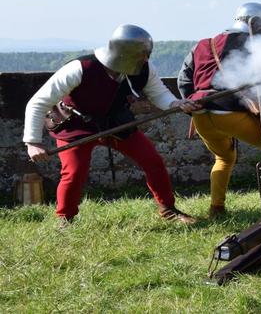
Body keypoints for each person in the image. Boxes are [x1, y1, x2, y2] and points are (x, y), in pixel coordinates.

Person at [24, 24, 201, 227]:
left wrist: (175, 103)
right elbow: (38, 102)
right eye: (141, 54)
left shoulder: (144, 70)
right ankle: (65, 219)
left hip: (117, 122)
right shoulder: (80, 68)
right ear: (124, 53)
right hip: (76, 124)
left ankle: (168, 209)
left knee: (153, 161)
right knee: (74, 172)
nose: (145, 59)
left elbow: (158, 93)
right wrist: (32, 142)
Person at [178, 2, 261, 218]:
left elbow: (184, 81)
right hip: (230, 112)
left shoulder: (203, 44)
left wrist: (191, 104)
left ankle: (216, 208)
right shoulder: (253, 44)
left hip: (200, 113)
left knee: (223, 159)